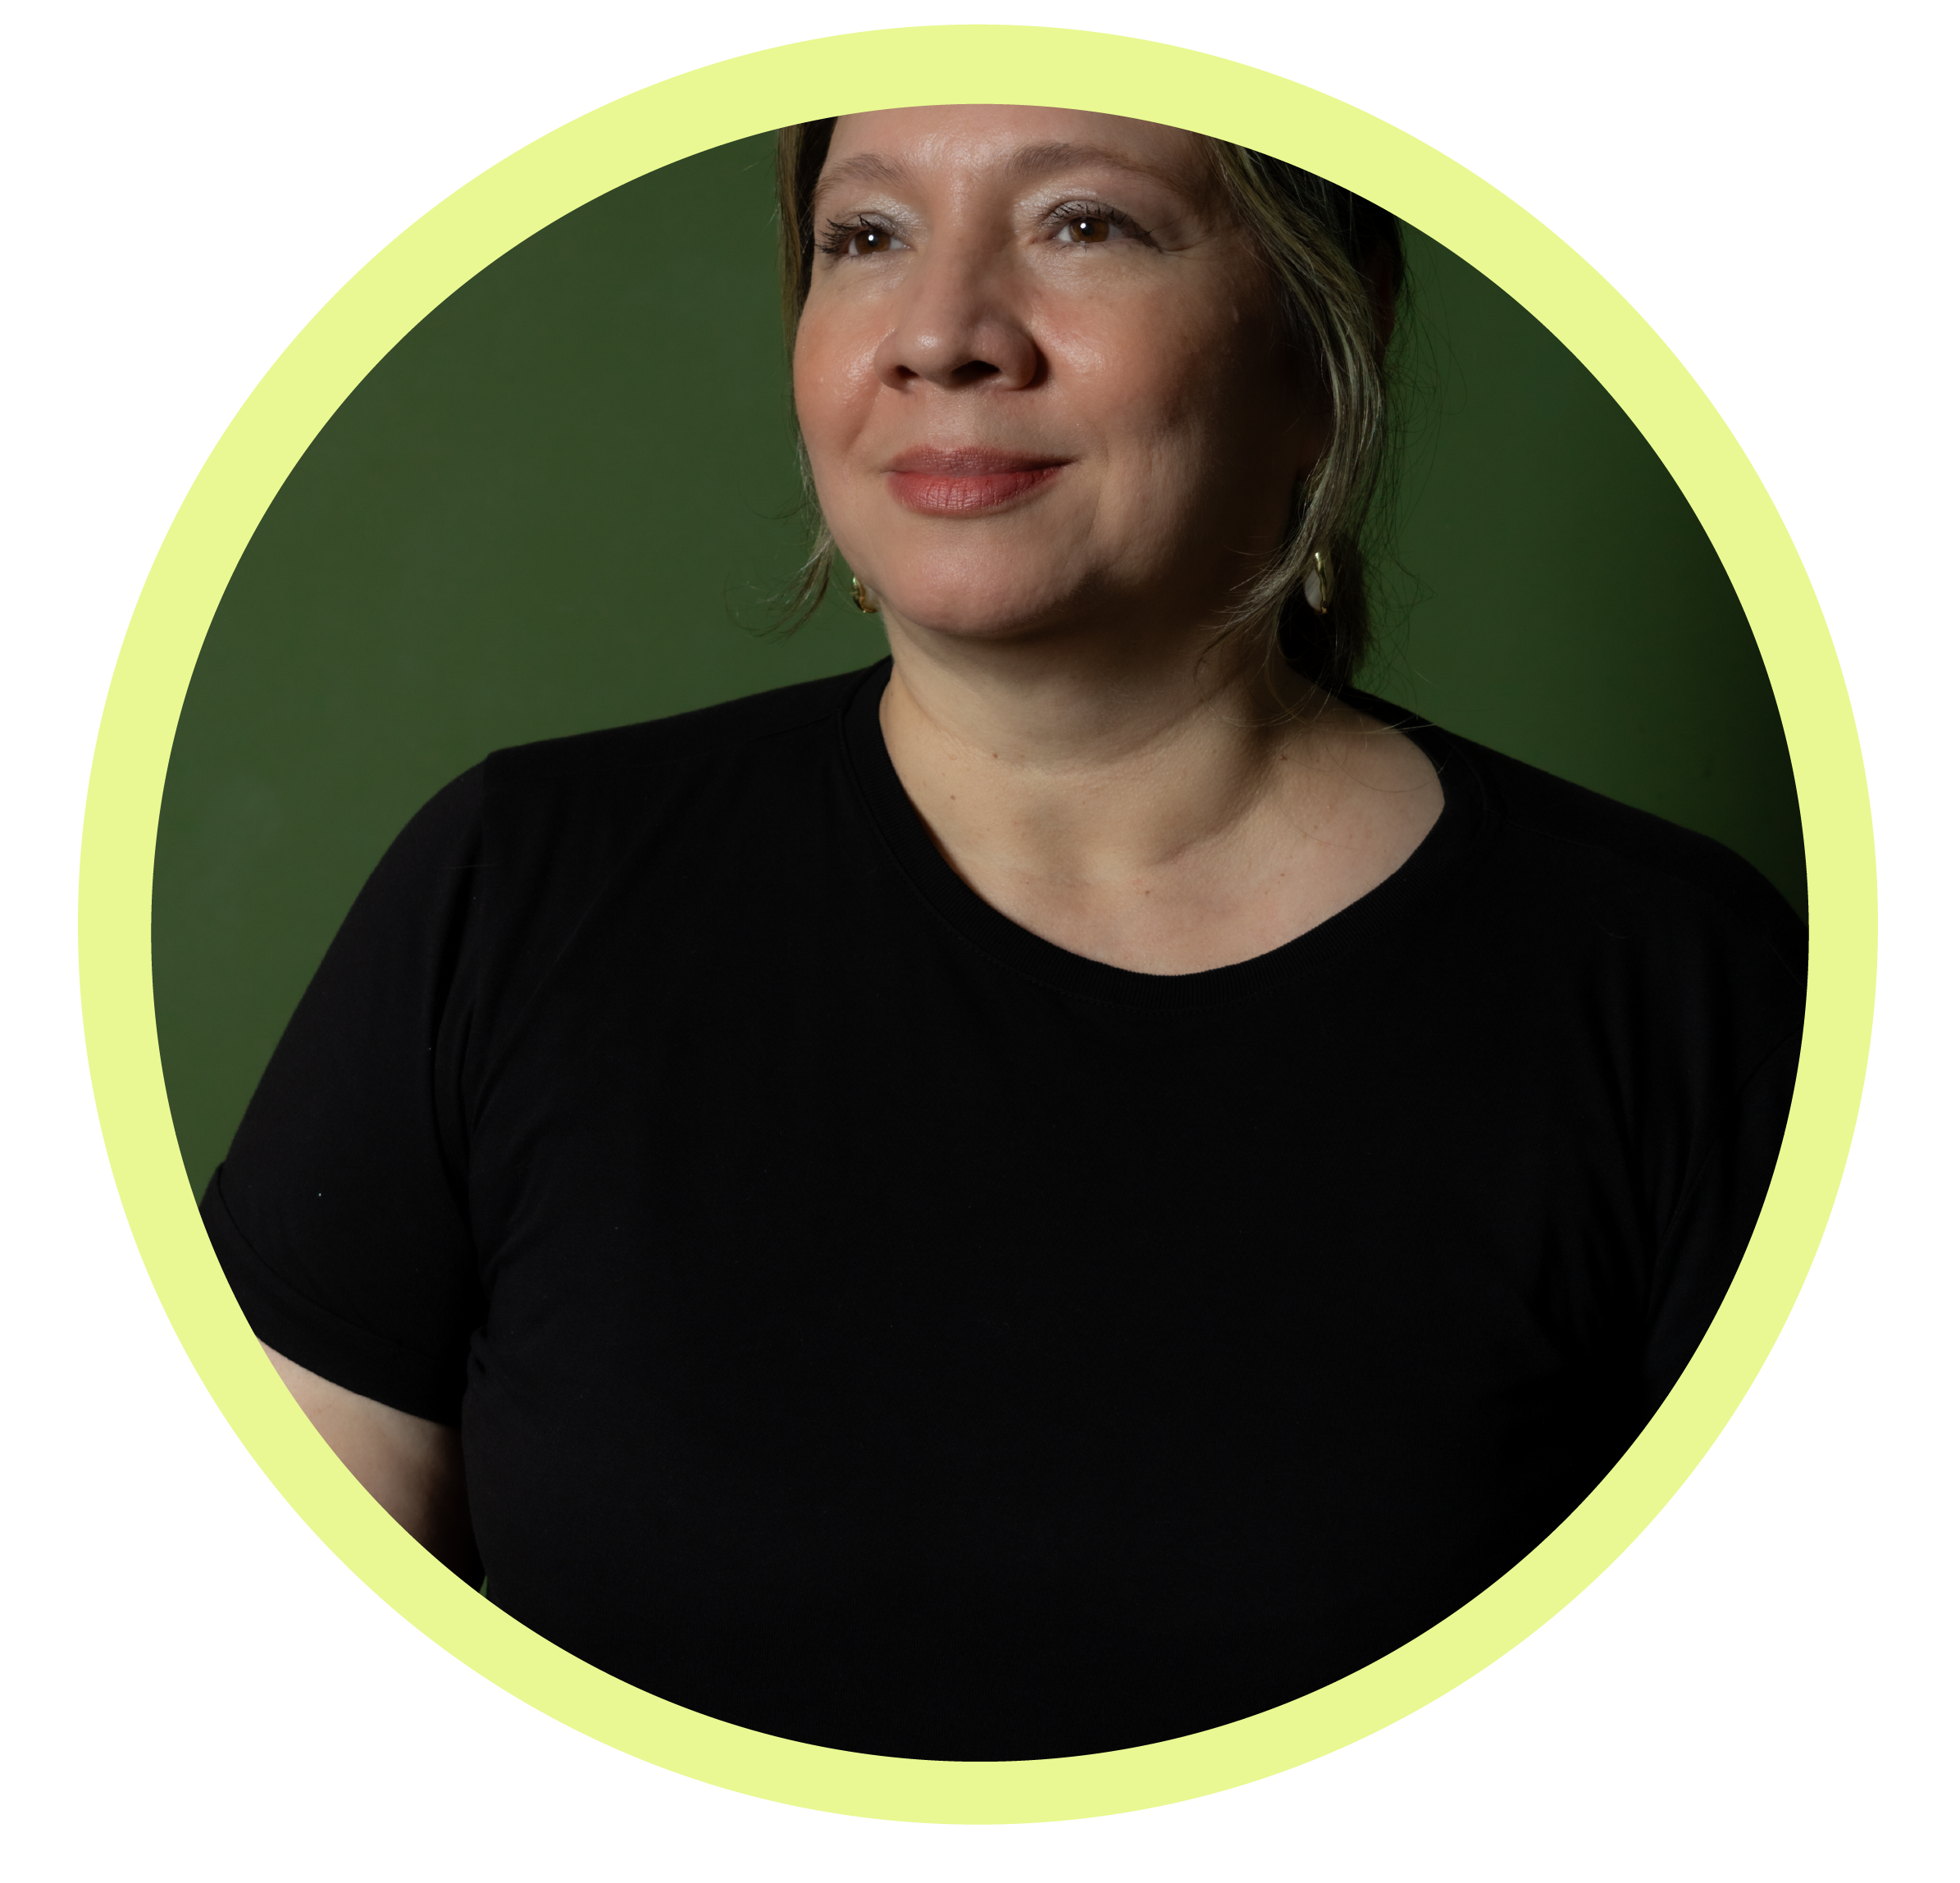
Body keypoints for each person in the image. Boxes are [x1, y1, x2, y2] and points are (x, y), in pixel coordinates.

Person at [202, 104, 1805, 1761]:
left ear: (1324, 344)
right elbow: (255, 1690)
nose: (942, 333)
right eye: (867, 236)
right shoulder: (515, 889)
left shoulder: (1677, 990)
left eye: (1083, 224)